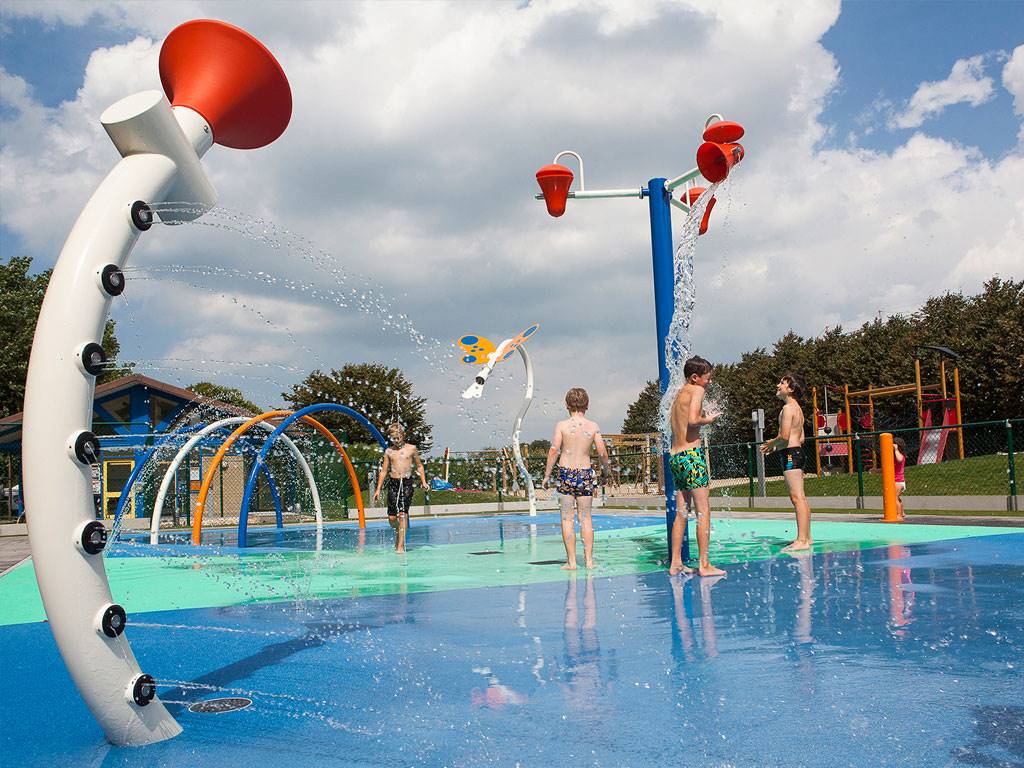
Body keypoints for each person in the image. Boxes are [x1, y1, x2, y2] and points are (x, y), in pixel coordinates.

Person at [542, 388, 612, 570]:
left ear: (566, 405)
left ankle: (572, 562)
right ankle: (589, 561)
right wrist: (606, 471)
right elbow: (602, 452)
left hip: (566, 473)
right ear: (587, 405)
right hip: (585, 473)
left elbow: (553, 450)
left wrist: (547, 475)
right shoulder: (593, 426)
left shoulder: (562, 426)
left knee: (566, 518)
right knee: (586, 518)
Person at [668, 356, 724, 577]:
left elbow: (682, 422)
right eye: (707, 379)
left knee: (682, 513)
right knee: (703, 511)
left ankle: (675, 563)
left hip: (676, 457)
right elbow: (692, 421)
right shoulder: (696, 390)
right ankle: (704, 565)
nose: (708, 383)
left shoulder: (679, 394)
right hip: (692, 456)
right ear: (695, 377)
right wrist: (707, 420)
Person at [761, 372, 812, 551]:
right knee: (801, 498)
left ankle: (801, 540)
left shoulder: (788, 409)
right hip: (797, 451)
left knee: (796, 497)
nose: (778, 385)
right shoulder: (798, 409)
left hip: (790, 454)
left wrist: (771, 443)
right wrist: (779, 446)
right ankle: (807, 537)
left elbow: (784, 435)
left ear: (790, 389)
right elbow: (802, 438)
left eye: (782, 383)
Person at [373, 423, 428, 554]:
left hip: (407, 483)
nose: (396, 441)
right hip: (393, 484)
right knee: (392, 518)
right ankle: (400, 530)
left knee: (403, 514)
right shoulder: (389, 452)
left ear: (403, 435)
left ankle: (400, 547)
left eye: (398, 438)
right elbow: (384, 471)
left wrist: (424, 482)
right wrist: (378, 489)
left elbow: (419, 466)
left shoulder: (412, 449)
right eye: (393, 439)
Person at [893, 436, 907, 521]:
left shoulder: (900, 455)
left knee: (893, 498)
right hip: (897, 481)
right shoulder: (892, 458)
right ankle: (902, 512)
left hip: (898, 481)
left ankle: (898, 515)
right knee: (897, 498)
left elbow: (899, 459)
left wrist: (895, 449)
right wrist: (875, 471)